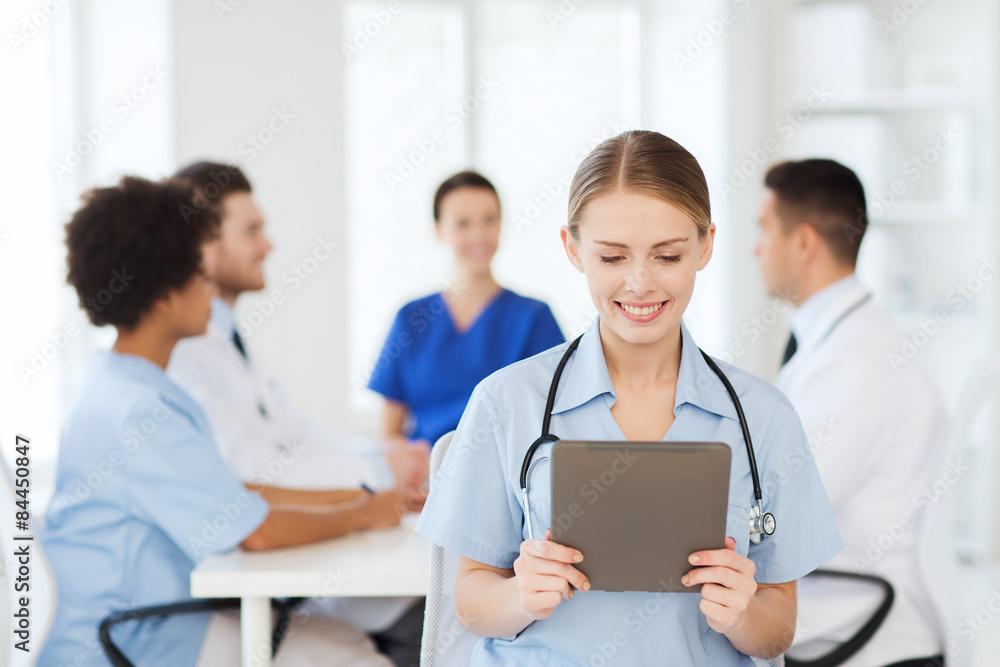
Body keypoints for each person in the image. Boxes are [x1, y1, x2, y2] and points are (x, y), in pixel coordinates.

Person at [415, 131, 842, 665]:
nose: (639, 283)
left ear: (706, 245)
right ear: (573, 249)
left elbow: (778, 630)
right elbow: (472, 603)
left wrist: (745, 613)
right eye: (613, 257)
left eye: (667, 255)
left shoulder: (764, 419)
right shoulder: (506, 402)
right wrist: (519, 594)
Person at [41, 176, 419, 667]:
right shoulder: (143, 410)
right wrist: (365, 514)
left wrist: (361, 498)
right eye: (200, 275)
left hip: (144, 616)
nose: (210, 290)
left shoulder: (122, 382)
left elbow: (233, 494)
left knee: (350, 641)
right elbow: (255, 531)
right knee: (360, 658)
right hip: (138, 634)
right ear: (162, 296)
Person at [166, 161, 428, 666]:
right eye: (252, 231)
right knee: (422, 623)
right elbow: (250, 468)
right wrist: (377, 473)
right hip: (231, 589)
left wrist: (382, 456)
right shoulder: (187, 352)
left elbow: (297, 432)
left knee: (426, 610)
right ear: (204, 244)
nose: (269, 245)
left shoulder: (231, 337)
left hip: (280, 567)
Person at [754, 159, 949, 666]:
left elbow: (784, 511)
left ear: (803, 243)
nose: (757, 249)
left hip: (869, 637)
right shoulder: (841, 342)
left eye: (764, 231)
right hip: (848, 618)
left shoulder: (856, 362)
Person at [368, 171, 565, 446]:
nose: (479, 235)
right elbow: (390, 434)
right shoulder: (412, 319)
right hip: (425, 481)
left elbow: (554, 419)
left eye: (489, 220)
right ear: (439, 230)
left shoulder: (533, 318)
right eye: (463, 223)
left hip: (504, 478)